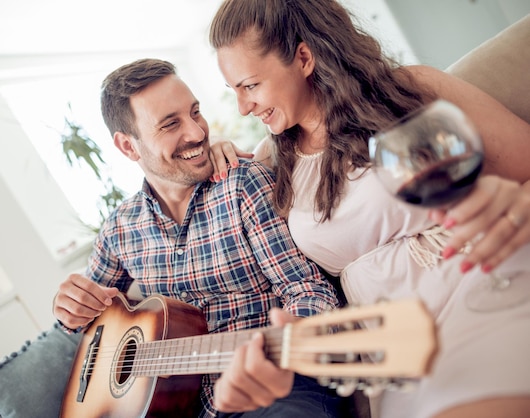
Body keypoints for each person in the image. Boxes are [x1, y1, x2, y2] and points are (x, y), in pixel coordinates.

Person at [206, 1, 530, 418]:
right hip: (396, 346)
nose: (243, 107)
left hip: (481, 282)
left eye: (249, 85)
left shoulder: (409, 91)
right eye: (233, 90)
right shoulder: (273, 161)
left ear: (303, 58)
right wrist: (218, 158)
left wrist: (518, 210)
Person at [51, 58, 353, 418]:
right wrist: (69, 308)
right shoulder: (120, 228)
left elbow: (308, 289)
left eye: (195, 112)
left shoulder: (242, 184)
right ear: (129, 147)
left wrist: (286, 347)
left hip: (273, 392)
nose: (196, 133)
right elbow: (86, 323)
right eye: (170, 124)